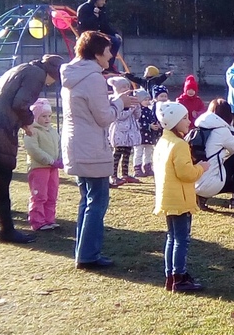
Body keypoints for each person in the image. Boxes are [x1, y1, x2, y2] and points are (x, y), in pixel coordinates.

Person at [61, 30, 140, 270]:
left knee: (87, 199)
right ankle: (88, 255)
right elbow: (104, 117)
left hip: (77, 145)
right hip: (90, 146)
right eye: (107, 51)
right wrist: (120, 102)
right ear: (96, 53)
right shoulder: (93, 77)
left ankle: (83, 252)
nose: (111, 55)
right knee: (97, 201)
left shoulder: (74, 74)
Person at [0, 54, 64, 244]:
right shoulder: (36, 75)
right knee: (2, 181)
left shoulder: (23, 68)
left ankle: (0, 226)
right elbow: (20, 103)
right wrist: (28, 122)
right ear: (52, 74)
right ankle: (5, 230)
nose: (50, 84)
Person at [154, 100, 210, 292]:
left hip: (168, 197)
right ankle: (179, 276)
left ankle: (171, 275)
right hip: (180, 199)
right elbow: (185, 173)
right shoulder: (179, 145)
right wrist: (200, 168)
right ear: (174, 121)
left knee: (172, 237)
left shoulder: (163, 141)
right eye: (184, 118)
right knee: (181, 239)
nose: (189, 121)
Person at [193, 98, 234, 208]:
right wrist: (231, 128)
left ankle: (201, 196)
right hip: (211, 184)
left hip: (194, 182)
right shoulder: (222, 130)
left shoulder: (197, 128)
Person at [23, 98, 62, 231]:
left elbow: (58, 145)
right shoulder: (31, 131)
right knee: (39, 195)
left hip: (53, 168)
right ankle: (37, 221)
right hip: (39, 168)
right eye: (43, 116)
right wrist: (50, 161)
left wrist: (60, 158)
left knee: (52, 193)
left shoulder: (52, 131)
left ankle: (49, 219)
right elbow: (34, 150)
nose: (47, 119)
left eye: (49, 116)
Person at [75, 0, 122, 70]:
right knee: (112, 42)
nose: (104, 3)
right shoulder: (84, 8)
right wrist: (95, 16)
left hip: (98, 34)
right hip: (87, 34)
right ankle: (106, 66)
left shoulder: (102, 10)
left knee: (115, 40)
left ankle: (108, 64)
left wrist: (114, 33)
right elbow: (84, 25)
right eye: (103, 0)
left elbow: (105, 25)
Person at [107, 76, 142, 187]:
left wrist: (137, 106)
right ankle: (113, 176)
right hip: (119, 132)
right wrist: (130, 108)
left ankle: (125, 174)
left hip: (130, 132)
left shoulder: (131, 100)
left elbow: (137, 116)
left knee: (127, 153)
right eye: (123, 87)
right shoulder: (113, 100)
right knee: (117, 154)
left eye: (127, 86)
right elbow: (119, 116)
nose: (126, 88)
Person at [134, 90, 161, 178]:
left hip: (149, 136)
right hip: (140, 136)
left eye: (148, 99)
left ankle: (148, 166)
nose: (147, 101)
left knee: (148, 152)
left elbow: (152, 119)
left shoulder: (149, 111)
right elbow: (138, 123)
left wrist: (156, 125)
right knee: (139, 152)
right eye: (145, 100)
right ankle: (137, 168)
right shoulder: (137, 111)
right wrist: (149, 126)